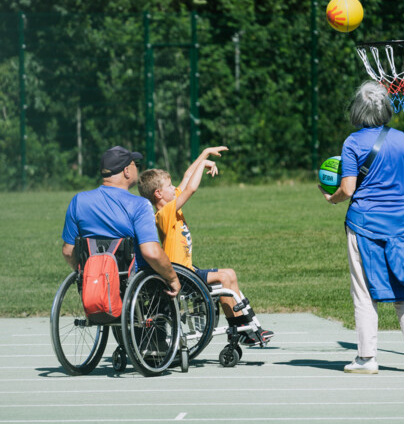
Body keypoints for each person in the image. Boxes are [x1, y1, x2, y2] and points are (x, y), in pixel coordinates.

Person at [320, 80, 404, 374]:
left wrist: (331, 200)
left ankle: (367, 358)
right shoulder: (403, 140)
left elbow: (347, 188)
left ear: (357, 109)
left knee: (364, 292)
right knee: (402, 286)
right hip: (401, 225)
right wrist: (396, 204)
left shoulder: (353, 143)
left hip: (364, 225)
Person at [138, 146, 274, 346]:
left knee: (230, 275)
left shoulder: (170, 204)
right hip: (180, 275)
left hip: (189, 271)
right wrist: (203, 164)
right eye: (169, 186)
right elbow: (191, 188)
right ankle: (240, 329)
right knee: (224, 277)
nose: (174, 187)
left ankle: (242, 327)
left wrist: (205, 153)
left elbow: (187, 177)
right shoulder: (165, 213)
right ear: (158, 193)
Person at [62, 145, 181, 298]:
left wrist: (85, 273)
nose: (137, 169)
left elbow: (67, 251)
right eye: (135, 165)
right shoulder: (140, 205)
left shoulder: (78, 201)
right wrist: (172, 278)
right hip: (133, 282)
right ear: (126, 171)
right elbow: (151, 253)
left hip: (96, 281)